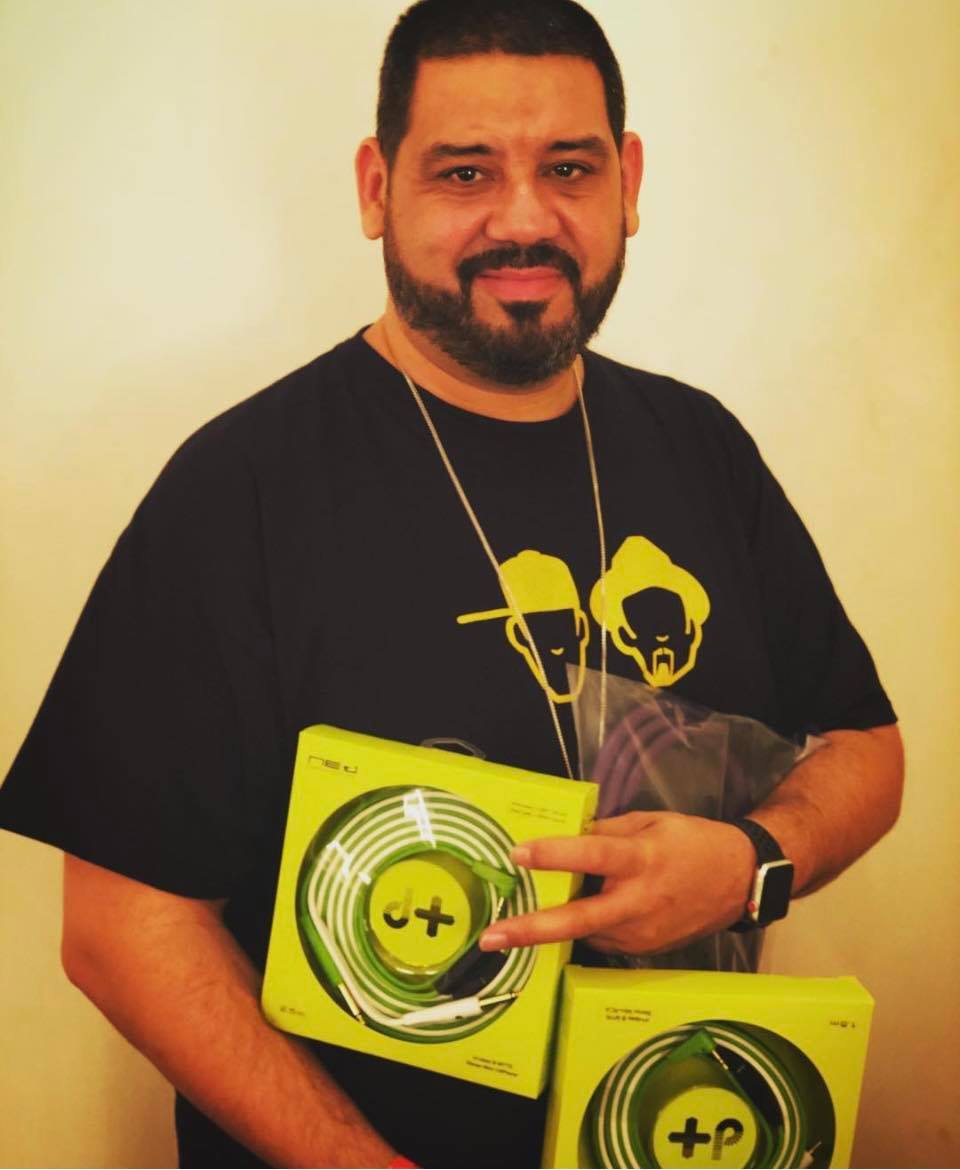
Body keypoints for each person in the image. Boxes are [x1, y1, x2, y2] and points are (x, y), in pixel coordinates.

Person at [0, 1, 903, 1167]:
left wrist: (751, 865)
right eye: (465, 171)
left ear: (628, 182)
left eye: (568, 168)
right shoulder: (240, 488)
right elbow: (123, 932)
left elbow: (867, 748)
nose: (523, 219)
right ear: (377, 188)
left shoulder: (703, 447)